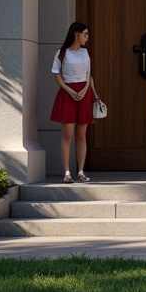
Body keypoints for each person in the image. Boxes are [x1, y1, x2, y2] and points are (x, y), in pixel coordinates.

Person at [49, 22, 98, 183]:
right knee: (68, 135)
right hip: (67, 93)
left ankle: (81, 172)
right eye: (85, 34)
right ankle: (67, 172)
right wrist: (70, 91)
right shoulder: (62, 53)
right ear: (76, 34)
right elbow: (57, 75)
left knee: (82, 136)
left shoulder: (85, 53)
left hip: (84, 93)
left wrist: (86, 91)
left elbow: (88, 74)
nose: (87, 37)